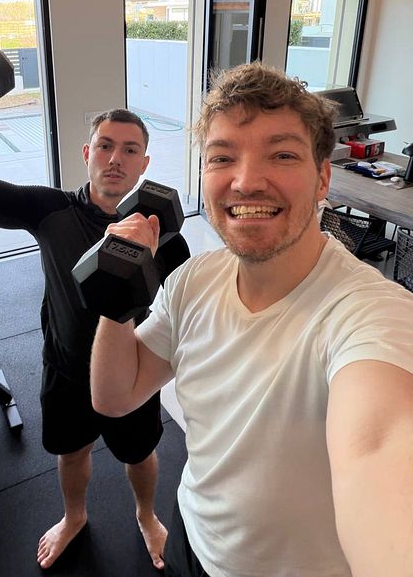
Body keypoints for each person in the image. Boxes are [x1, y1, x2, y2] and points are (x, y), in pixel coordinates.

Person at [90, 61, 413, 577]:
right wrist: (116, 299)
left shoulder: (371, 315)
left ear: (323, 177)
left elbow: (378, 448)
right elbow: (116, 394)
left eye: (282, 154)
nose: (245, 182)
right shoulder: (192, 281)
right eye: (222, 158)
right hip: (190, 537)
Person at [0, 75, 190, 570]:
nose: (116, 158)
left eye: (130, 150)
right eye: (107, 146)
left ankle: (145, 514)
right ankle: (74, 517)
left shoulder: (169, 237)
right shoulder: (51, 210)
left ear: (145, 163)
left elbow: (180, 311)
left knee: (141, 456)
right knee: (71, 454)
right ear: (86, 152)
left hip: (132, 375)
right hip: (67, 368)